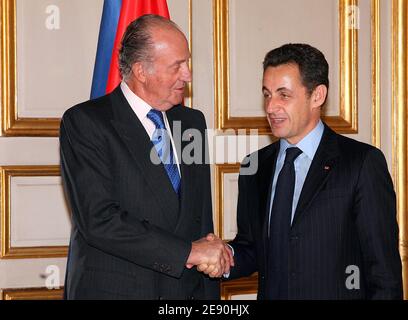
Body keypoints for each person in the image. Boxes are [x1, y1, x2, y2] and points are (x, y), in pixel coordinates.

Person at [60, 14, 232, 300]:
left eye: (187, 62)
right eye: (177, 65)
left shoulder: (192, 122)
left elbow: (199, 218)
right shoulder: (86, 122)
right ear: (141, 71)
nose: (188, 74)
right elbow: (99, 220)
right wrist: (189, 252)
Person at [223, 43, 403, 299]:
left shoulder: (361, 163)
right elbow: (253, 250)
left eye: (283, 95)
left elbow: (383, 274)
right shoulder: (254, 166)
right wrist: (223, 255)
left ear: (317, 96)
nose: (271, 107)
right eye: (267, 94)